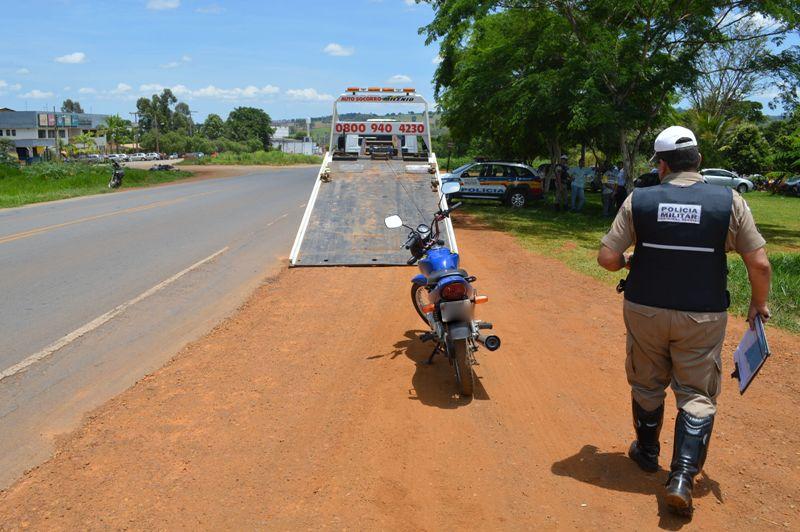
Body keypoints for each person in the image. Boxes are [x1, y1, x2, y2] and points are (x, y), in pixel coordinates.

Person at [596, 125, 772, 516]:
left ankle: (646, 452)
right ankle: (681, 477)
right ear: (699, 161)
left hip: (644, 310)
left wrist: (629, 260)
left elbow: (608, 259)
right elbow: (759, 263)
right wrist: (758, 305)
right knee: (696, 393)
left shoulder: (639, 200)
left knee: (647, 381)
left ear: (661, 165)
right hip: (703, 315)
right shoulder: (729, 201)